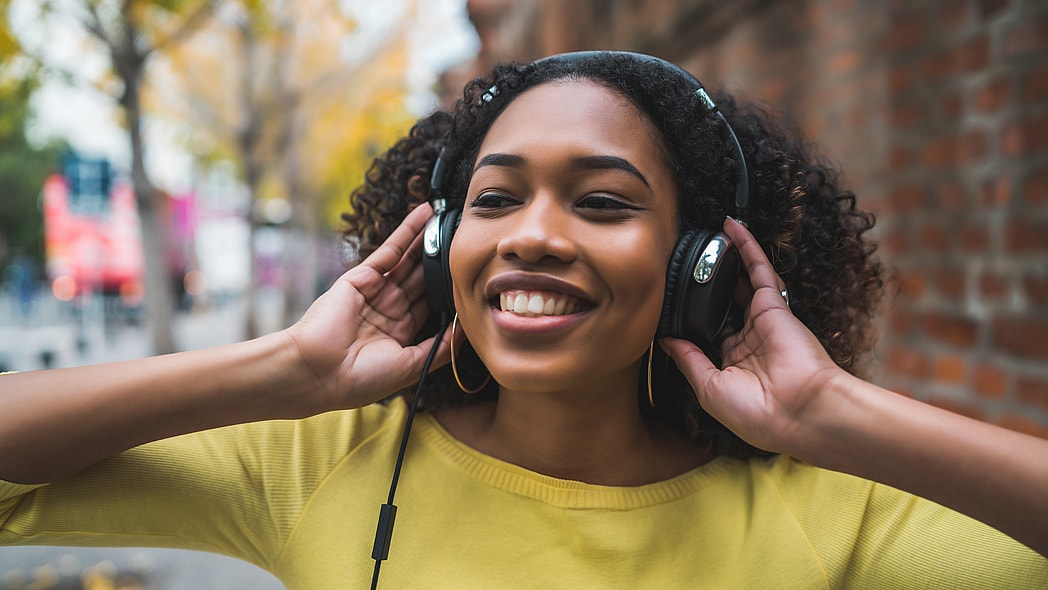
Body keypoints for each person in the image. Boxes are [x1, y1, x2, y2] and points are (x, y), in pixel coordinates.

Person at [1, 51, 1046, 588]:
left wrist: (833, 413)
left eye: (603, 202)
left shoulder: (829, 518)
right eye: (495, 199)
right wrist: (281, 368)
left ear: (700, 264)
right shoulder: (328, 459)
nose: (532, 237)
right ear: (439, 244)